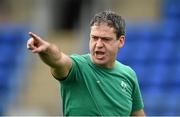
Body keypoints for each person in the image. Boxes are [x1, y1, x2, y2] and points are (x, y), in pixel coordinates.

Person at [27, 10, 145, 116]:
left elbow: (137, 114)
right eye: (94, 38)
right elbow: (58, 60)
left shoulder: (128, 74)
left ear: (121, 41)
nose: (98, 45)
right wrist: (46, 50)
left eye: (105, 39)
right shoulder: (77, 67)